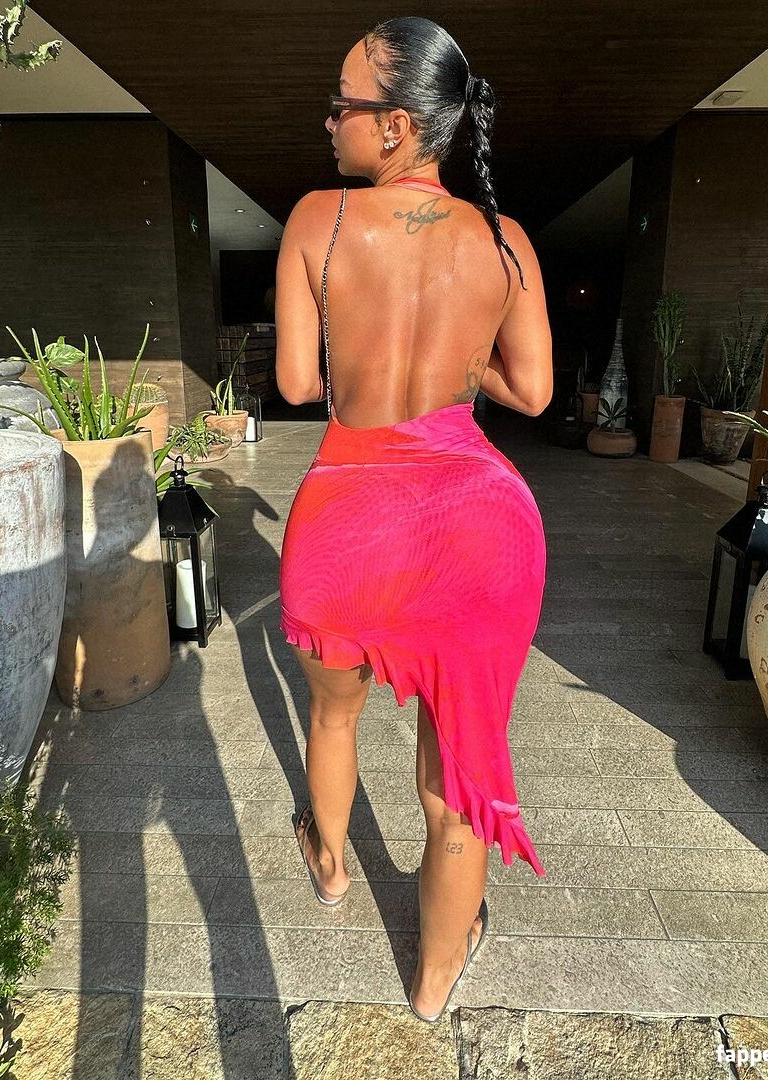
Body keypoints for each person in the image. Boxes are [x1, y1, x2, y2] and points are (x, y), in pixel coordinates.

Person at [275, 16, 552, 1023]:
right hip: (480, 527)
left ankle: (330, 865)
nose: (329, 121)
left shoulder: (318, 220)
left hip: (347, 519)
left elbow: (297, 383)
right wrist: (460, 362)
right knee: (457, 775)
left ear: (394, 125)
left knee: (332, 714)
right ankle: (434, 983)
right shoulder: (505, 240)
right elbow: (532, 392)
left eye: (341, 105)